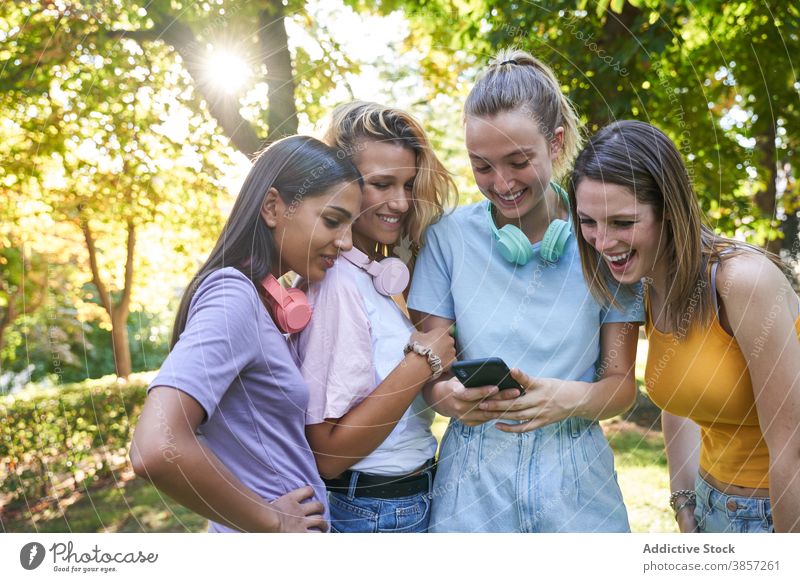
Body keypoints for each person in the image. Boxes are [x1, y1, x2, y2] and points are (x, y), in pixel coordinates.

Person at [407, 49, 644, 533]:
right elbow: (431, 369)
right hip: (471, 485)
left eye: (518, 161)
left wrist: (566, 399)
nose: (502, 183)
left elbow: (621, 386)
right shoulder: (447, 239)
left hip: (576, 477)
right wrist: (446, 395)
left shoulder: (604, 239)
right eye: (482, 166)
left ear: (556, 144)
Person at [570, 119, 800, 533]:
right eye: (589, 222)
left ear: (669, 211)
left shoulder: (740, 282)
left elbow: (793, 447)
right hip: (711, 506)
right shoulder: (643, 286)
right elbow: (680, 396)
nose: (602, 242)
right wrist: (684, 500)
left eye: (623, 222)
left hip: (780, 509)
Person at [129, 135, 363, 533]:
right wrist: (270, 520)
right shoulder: (233, 296)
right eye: (332, 220)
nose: (346, 242)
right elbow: (155, 447)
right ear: (273, 207)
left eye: (351, 226)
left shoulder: (258, 298)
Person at [290, 101, 457, 532]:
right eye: (381, 184)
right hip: (374, 511)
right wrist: (422, 361)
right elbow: (328, 454)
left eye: (407, 184)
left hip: (400, 500)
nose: (400, 203)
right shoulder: (338, 283)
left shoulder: (369, 274)